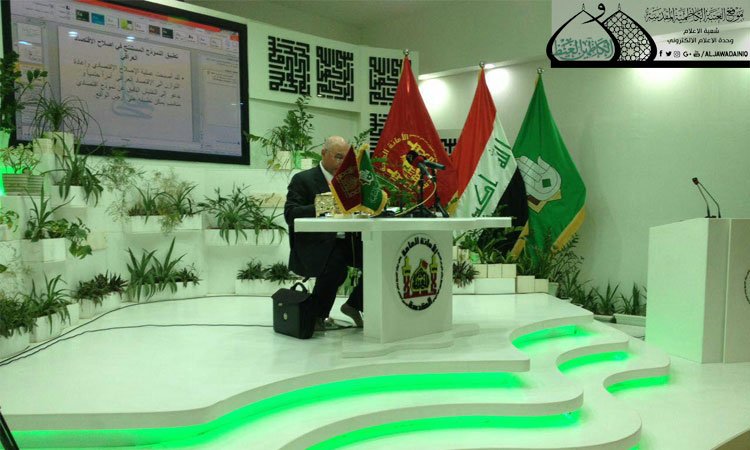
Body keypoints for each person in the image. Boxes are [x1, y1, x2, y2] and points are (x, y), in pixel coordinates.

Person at [284, 136, 363, 330]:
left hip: (349, 240)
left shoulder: (350, 181)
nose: (341, 163)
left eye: (345, 159)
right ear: (324, 154)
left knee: (379, 258)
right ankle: (316, 316)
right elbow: (291, 214)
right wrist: (323, 206)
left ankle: (354, 305)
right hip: (316, 242)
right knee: (336, 266)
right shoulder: (303, 180)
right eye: (338, 157)